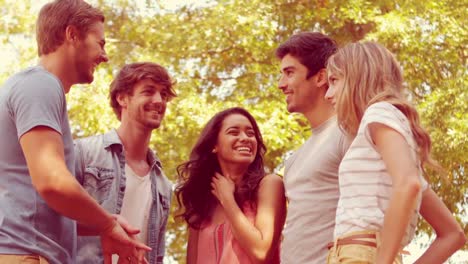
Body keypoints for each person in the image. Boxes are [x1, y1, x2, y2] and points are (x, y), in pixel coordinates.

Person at [0, 1, 150, 263]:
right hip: (25, 255)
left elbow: (32, 202)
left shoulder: (34, 88)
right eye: (100, 43)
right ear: (72, 35)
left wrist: (99, 224)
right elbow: (53, 182)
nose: (104, 56)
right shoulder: (40, 84)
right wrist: (106, 224)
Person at [325, 41, 466, 263]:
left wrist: (381, 259)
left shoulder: (378, 112)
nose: (328, 94)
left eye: (334, 81)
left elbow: (408, 184)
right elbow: (453, 235)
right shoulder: (393, 155)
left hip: (360, 255)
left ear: (359, 77)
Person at [75, 62, 176, 264]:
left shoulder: (163, 184)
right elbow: (50, 217)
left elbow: (156, 252)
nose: (158, 101)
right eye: (149, 92)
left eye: (163, 95)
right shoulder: (85, 153)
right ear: (122, 98)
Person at [175, 107, 286, 263]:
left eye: (251, 133)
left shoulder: (269, 185)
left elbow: (261, 253)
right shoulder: (201, 206)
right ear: (214, 145)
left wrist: (227, 200)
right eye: (234, 132)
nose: (245, 138)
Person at [275, 32, 351, 263]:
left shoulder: (349, 134)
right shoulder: (294, 160)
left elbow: (405, 193)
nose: (281, 85)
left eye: (289, 73)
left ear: (321, 77)